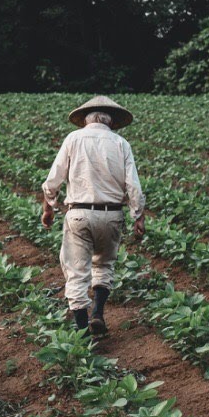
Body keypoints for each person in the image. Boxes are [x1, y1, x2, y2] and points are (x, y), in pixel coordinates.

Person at [39, 95, 145, 337]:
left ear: (85, 120)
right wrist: (138, 215)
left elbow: (53, 180)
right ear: (110, 121)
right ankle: (97, 312)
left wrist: (48, 209)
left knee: (77, 271)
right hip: (112, 215)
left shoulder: (73, 139)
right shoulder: (121, 143)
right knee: (104, 265)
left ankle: (82, 328)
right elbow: (134, 186)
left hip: (79, 213)